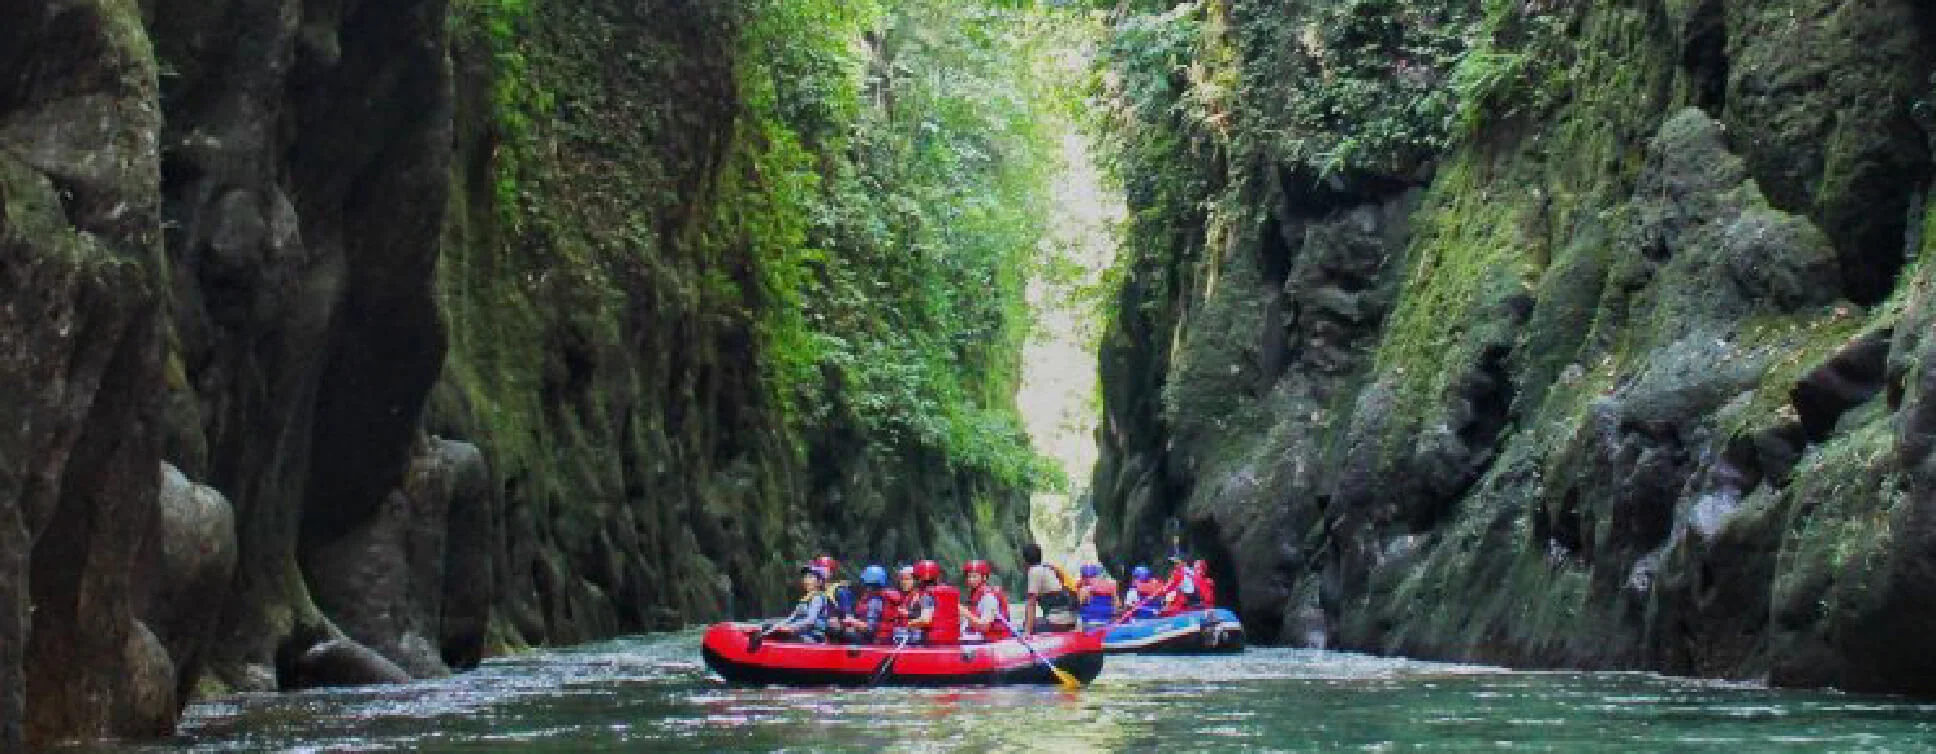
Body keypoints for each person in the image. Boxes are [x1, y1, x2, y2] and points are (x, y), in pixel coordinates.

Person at [1020, 543, 1077, 635]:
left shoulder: (1034, 571)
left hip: (1057, 623)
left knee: (1026, 625)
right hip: (1071, 622)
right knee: (1035, 622)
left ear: (1025, 561)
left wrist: (1027, 632)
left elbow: (1031, 604)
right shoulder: (1049, 568)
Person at [770, 564, 832, 642]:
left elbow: (810, 620)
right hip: (802, 633)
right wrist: (777, 626)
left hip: (814, 636)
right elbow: (792, 617)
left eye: (810, 577)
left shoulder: (818, 597)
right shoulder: (805, 599)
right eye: (805, 577)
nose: (806, 580)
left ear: (819, 582)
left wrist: (791, 627)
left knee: (786, 639)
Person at [905, 559, 961, 644]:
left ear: (919, 578)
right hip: (952, 640)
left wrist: (908, 624)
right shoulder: (948, 593)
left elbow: (926, 620)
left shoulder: (927, 595)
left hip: (932, 640)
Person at [843, 565, 902, 644]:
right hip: (882, 638)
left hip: (876, 640)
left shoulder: (876, 600)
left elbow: (870, 628)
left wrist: (852, 622)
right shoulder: (876, 597)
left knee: (846, 634)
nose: (863, 584)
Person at [959, 560, 1011, 641]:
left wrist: (964, 612)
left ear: (984, 577)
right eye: (969, 577)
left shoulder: (989, 597)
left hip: (995, 639)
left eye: (974, 577)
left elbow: (984, 626)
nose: (970, 580)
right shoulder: (974, 596)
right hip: (982, 638)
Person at [812, 555, 856, 641]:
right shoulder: (817, 593)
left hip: (835, 636)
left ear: (831, 572)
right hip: (819, 633)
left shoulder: (840, 591)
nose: (818, 572)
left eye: (822, 569)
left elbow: (849, 618)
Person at [1075, 563, 1118, 628]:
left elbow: (1115, 604)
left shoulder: (1084, 588)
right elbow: (1115, 604)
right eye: (1086, 577)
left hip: (1095, 620)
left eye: (1091, 577)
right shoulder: (1111, 585)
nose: (1088, 579)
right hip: (1096, 620)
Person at [892, 565, 924, 645]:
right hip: (899, 635)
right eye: (902, 579)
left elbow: (924, 617)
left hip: (915, 637)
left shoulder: (921, 596)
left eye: (907, 579)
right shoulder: (898, 595)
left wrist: (908, 614)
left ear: (915, 581)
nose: (904, 582)